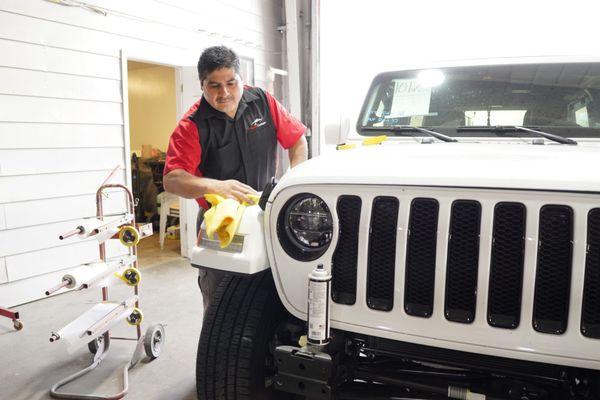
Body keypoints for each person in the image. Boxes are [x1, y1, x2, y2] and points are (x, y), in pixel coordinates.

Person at [163, 46, 308, 311]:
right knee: (221, 306)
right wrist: (217, 186)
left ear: (242, 78)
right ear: (202, 85)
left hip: (265, 216)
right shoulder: (191, 125)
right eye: (214, 86)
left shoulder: (263, 101)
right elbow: (173, 179)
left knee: (273, 296)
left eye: (231, 83)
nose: (225, 93)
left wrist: (292, 183)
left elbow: (297, 140)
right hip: (219, 226)